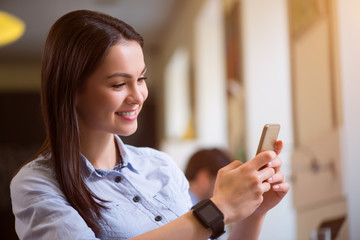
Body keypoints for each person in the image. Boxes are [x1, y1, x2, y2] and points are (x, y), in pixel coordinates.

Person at [10, 10, 289, 240]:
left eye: (141, 79)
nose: (138, 96)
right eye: (119, 84)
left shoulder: (161, 167)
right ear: (71, 90)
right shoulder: (37, 184)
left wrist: (252, 213)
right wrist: (217, 208)